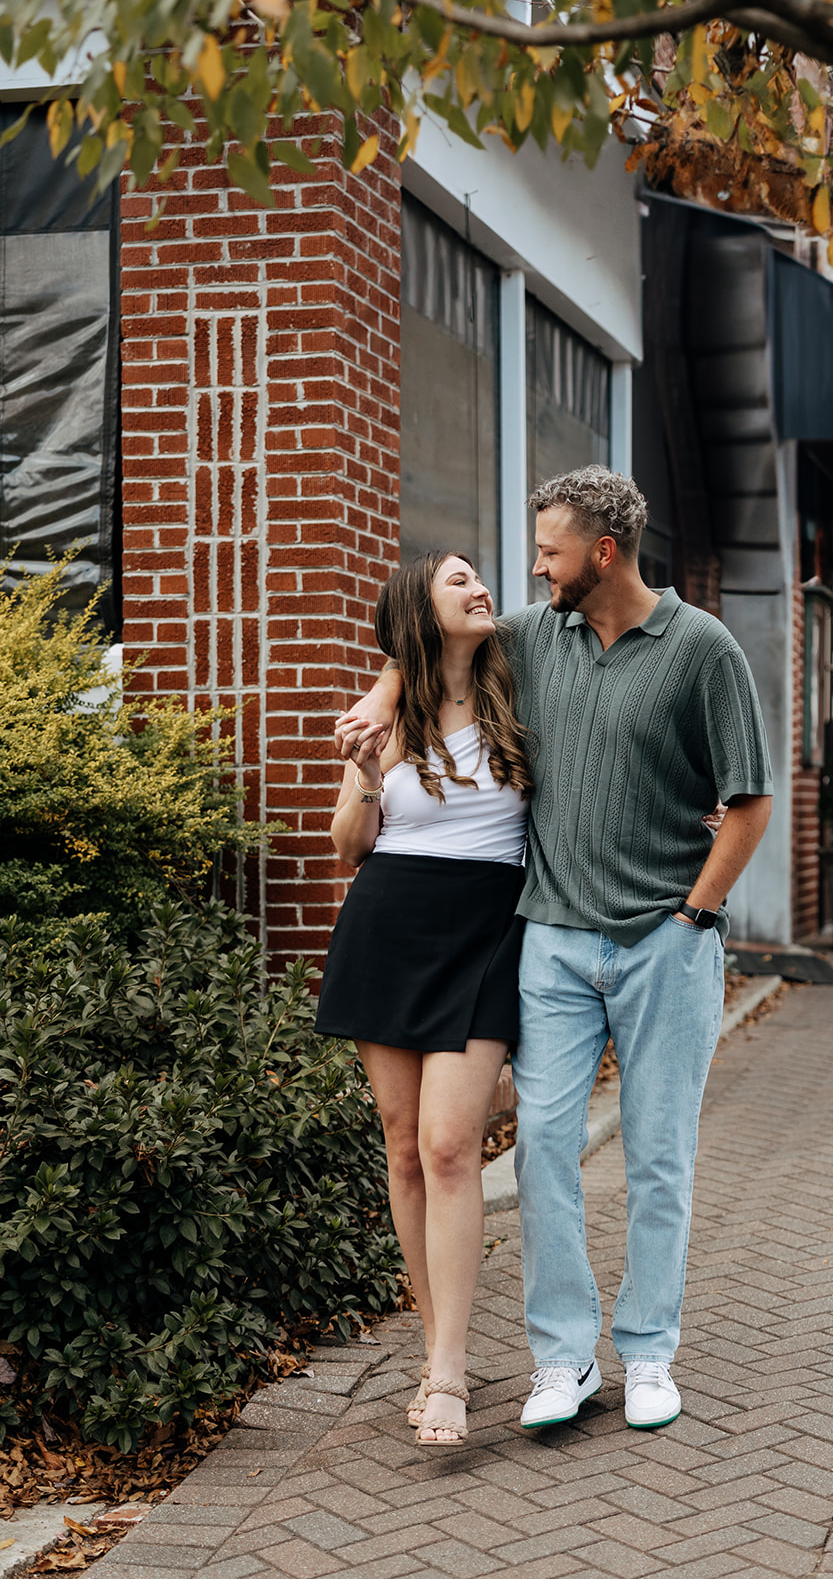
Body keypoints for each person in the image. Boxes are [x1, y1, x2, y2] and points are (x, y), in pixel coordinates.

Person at [336, 467, 773, 1432]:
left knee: (659, 1156)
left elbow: (748, 799)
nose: (532, 567)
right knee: (539, 1147)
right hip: (552, 941)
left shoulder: (701, 648)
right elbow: (425, 643)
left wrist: (696, 916)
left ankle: (649, 1353)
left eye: (548, 551)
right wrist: (379, 694)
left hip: (666, 939)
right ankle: (561, 1359)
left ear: (601, 554)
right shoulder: (534, 637)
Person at [316, 550, 533, 1446]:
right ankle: (435, 1348)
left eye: (478, 575)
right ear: (419, 607)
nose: (482, 588)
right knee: (403, 1150)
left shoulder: (518, 689)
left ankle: (448, 1371)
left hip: (486, 928)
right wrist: (366, 773)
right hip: (387, 924)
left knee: (451, 1146)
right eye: (459, 580)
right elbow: (346, 846)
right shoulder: (388, 717)